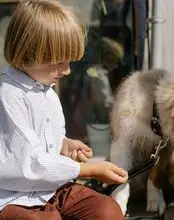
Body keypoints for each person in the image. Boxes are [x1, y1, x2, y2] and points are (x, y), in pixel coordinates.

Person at [0, 0, 128, 219]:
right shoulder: (9, 94)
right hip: (14, 196)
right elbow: (26, 162)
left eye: (69, 62)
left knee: (106, 210)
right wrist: (88, 170)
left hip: (52, 187)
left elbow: (38, 139)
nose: (67, 70)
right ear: (29, 53)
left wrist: (63, 145)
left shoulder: (46, 90)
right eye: (59, 63)